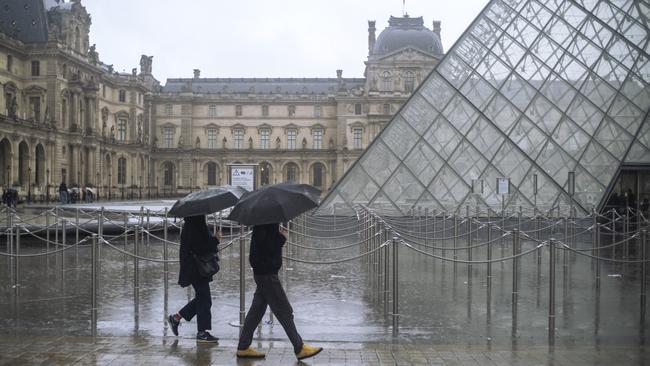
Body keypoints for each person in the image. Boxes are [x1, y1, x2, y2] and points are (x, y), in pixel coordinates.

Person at [236, 223, 322, 360]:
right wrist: (282, 237)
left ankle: (243, 347)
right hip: (267, 273)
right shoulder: (266, 221)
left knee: (256, 310)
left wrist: (278, 234)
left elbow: (264, 245)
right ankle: (299, 347)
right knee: (284, 310)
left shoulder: (264, 220)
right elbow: (267, 247)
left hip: (263, 272)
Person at [167, 215, 220, 343]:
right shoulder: (195, 227)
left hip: (195, 267)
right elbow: (201, 247)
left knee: (203, 298)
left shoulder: (192, 225)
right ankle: (202, 332)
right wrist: (215, 240)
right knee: (205, 299)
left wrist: (212, 239)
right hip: (196, 268)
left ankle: (176, 318)